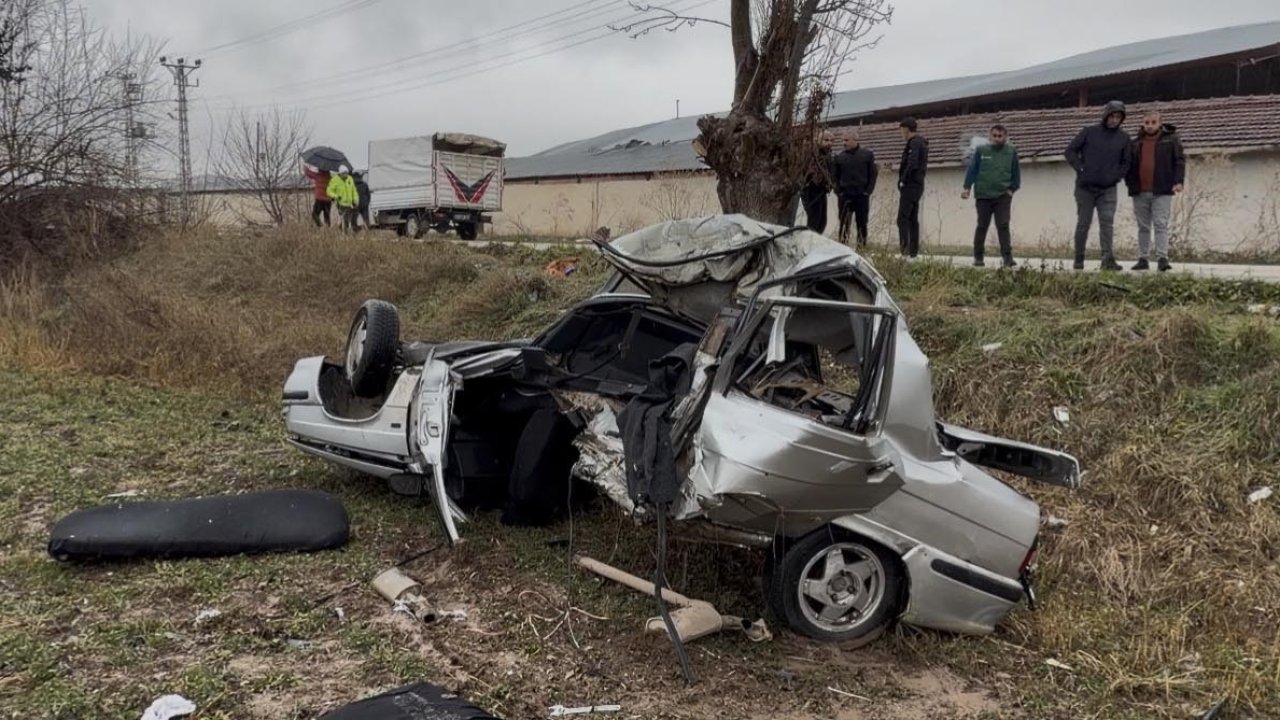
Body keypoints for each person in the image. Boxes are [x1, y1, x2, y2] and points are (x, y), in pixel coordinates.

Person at [1065, 100, 1132, 271]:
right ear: (1106, 115)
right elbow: (1070, 150)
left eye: (1118, 117)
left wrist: (1116, 177)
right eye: (1112, 116)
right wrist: (1080, 168)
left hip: (1108, 189)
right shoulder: (1089, 132)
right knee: (1083, 223)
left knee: (1107, 223)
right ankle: (1079, 259)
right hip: (1085, 187)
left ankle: (1107, 260)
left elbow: (1127, 162)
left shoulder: (1124, 138)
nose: (1114, 120)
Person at [1124, 110, 1185, 272]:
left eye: (1153, 122)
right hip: (1139, 191)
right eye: (1147, 123)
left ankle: (1162, 258)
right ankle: (1143, 258)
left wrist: (1178, 181)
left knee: (1160, 224)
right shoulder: (1135, 143)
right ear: (1143, 124)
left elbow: (1179, 161)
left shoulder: (1171, 140)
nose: (1150, 126)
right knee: (1143, 226)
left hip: (1162, 190)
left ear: (1160, 123)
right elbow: (1128, 166)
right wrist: (1129, 183)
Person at [962, 124, 1021, 268]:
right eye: (994, 136)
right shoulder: (981, 151)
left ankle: (1007, 258)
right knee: (982, 225)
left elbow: (1016, 173)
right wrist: (967, 187)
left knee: (1003, 225)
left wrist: (1012, 189)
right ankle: (978, 257)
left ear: (1005, 137)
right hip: (983, 195)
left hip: (1002, 195)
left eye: (1000, 136)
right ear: (990, 136)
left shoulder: (1011, 151)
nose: (997, 139)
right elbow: (972, 170)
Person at [833, 129, 878, 246]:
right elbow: (834, 177)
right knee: (844, 224)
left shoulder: (867, 155)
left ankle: (861, 248)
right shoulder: (839, 157)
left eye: (846, 140)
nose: (844, 143)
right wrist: (838, 192)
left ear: (855, 140)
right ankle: (842, 248)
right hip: (845, 195)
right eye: (843, 140)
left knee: (862, 223)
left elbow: (873, 174)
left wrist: (868, 191)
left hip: (861, 195)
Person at [896, 117, 929, 257]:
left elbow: (912, 163)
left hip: (911, 184)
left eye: (902, 130)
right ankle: (913, 252)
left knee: (902, 218)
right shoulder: (921, 142)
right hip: (918, 185)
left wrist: (903, 180)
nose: (901, 134)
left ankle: (904, 250)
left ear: (906, 129)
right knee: (912, 218)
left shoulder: (914, 143)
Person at [800, 144, 832, 234]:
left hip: (822, 191)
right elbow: (812, 174)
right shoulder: (813, 155)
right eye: (826, 140)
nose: (829, 143)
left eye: (831, 140)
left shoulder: (828, 156)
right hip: (812, 190)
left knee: (822, 223)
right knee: (814, 222)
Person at [327, 165, 359, 233]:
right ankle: (344, 233)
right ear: (340, 174)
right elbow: (329, 191)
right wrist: (335, 196)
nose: (346, 175)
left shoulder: (350, 178)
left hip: (350, 203)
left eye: (347, 173)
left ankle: (345, 230)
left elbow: (354, 190)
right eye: (344, 173)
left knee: (352, 219)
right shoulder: (334, 180)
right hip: (341, 203)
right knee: (345, 219)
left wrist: (355, 200)